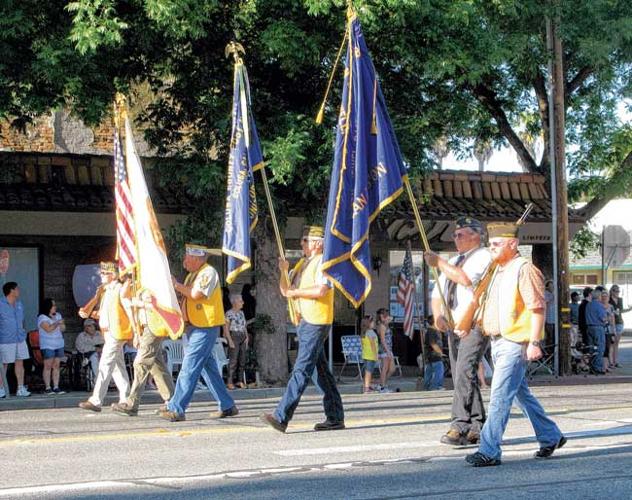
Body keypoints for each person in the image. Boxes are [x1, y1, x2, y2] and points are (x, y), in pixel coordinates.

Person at [466, 222, 565, 467]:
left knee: (499, 395)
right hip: (498, 341)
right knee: (521, 395)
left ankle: (488, 450)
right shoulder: (498, 271)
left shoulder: (524, 269)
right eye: (490, 244)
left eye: (497, 244)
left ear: (513, 244)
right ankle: (550, 436)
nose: (492, 248)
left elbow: (538, 308)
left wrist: (534, 342)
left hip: (515, 341)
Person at [260, 225, 344, 433]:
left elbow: (322, 289)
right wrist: (282, 270)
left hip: (316, 321)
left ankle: (281, 416)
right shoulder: (301, 265)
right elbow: (286, 290)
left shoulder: (324, 263)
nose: (301, 243)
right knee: (321, 372)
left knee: (301, 368)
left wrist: (296, 291)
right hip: (304, 321)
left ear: (317, 243)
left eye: (305, 240)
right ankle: (335, 416)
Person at [425, 216, 491, 446]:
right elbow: (437, 293)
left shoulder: (483, 256)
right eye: (454, 235)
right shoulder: (454, 260)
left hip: (473, 323)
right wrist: (437, 315)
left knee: (464, 370)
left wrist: (439, 262)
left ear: (476, 235)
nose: (456, 238)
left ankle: (459, 425)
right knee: (462, 374)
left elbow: (463, 279)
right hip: (453, 325)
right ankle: (477, 425)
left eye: (460, 234)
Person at [159, 244, 238, 422]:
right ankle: (227, 405)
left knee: (189, 366)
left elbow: (196, 294)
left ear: (197, 258)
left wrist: (177, 285)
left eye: (188, 257)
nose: (185, 261)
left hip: (205, 327)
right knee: (208, 368)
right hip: (195, 326)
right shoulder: (192, 275)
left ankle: (176, 407)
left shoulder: (208, 273)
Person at [111, 289, 176, 417]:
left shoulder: (153, 284)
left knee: (141, 362)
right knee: (156, 364)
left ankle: (132, 404)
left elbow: (155, 305)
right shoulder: (140, 284)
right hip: (146, 326)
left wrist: (136, 302)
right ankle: (172, 401)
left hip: (154, 325)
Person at [78, 262, 132, 412]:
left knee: (105, 364)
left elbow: (127, 310)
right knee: (117, 367)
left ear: (113, 275)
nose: (101, 276)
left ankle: (96, 400)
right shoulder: (105, 291)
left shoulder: (120, 289)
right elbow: (105, 312)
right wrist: (90, 312)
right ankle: (126, 398)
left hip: (117, 332)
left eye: (104, 273)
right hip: (108, 332)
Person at [0, 281, 31, 397]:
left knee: (20, 362)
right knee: (3, 364)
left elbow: (22, 320)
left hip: (20, 338)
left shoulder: (19, 304)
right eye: (17, 289)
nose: (19, 291)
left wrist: (23, 330)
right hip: (5, 339)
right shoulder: (1, 303)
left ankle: (20, 388)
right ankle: (1, 388)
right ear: (11, 290)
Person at [37, 298, 66, 395]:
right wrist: (57, 323)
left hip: (58, 343)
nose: (55, 307)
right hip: (48, 344)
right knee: (48, 365)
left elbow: (63, 329)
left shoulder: (58, 315)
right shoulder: (42, 317)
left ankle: (56, 386)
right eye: (53, 305)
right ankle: (48, 387)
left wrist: (61, 324)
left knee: (56, 365)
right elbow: (48, 329)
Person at [224, 293, 248, 389]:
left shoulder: (241, 313)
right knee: (233, 360)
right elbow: (226, 328)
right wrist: (229, 340)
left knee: (242, 360)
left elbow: (244, 325)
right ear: (234, 302)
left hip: (242, 335)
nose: (242, 303)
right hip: (234, 336)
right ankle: (229, 382)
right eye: (240, 301)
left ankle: (239, 380)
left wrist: (247, 336)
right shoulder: (229, 313)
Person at [585, 288, 608, 375]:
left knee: (591, 348)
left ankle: (592, 367)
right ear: (599, 296)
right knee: (600, 348)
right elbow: (603, 318)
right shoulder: (599, 305)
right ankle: (598, 368)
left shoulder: (588, 305)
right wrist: (607, 319)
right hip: (598, 327)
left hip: (589, 327)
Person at [375, 308, 396, 393]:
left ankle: (381, 384)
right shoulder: (382, 326)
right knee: (385, 368)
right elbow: (383, 340)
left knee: (392, 369)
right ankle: (382, 387)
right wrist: (387, 351)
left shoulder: (385, 325)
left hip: (389, 348)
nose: (387, 317)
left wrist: (387, 319)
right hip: (384, 349)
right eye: (385, 315)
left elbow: (391, 318)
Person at [610, 285, 630, 367]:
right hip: (611, 322)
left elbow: (620, 311)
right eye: (616, 291)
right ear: (612, 291)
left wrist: (629, 309)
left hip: (619, 322)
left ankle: (615, 361)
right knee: (611, 343)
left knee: (616, 343)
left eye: (618, 291)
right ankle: (610, 362)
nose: (618, 292)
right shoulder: (609, 300)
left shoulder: (620, 300)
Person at [423, 323, 445, 391]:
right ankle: (436, 386)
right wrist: (440, 353)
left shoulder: (430, 331)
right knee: (439, 370)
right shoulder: (432, 331)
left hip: (429, 356)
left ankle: (427, 386)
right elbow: (433, 343)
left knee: (429, 371)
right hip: (434, 355)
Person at [360, 315, 378, 394]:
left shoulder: (364, 332)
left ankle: (366, 386)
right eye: (372, 322)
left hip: (365, 355)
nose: (374, 323)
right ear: (368, 323)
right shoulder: (371, 333)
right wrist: (375, 355)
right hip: (371, 355)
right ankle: (367, 388)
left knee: (367, 372)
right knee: (369, 372)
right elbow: (373, 345)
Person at [600, 289, 615, 372]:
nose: (604, 298)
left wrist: (614, 331)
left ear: (608, 297)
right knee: (602, 347)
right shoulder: (599, 306)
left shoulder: (611, 307)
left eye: (606, 296)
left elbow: (612, 319)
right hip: (601, 329)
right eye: (603, 296)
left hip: (608, 330)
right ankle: (604, 366)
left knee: (607, 348)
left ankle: (606, 365)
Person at [544, 280, 555, 346]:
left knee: (553, 336)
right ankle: (548, 350)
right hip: (548, 320)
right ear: (547, 287)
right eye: (551, 286)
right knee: (549, 337)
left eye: (553, 286)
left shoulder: (553, 294)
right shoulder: (545, 294)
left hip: (554, 320)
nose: (552, 287)